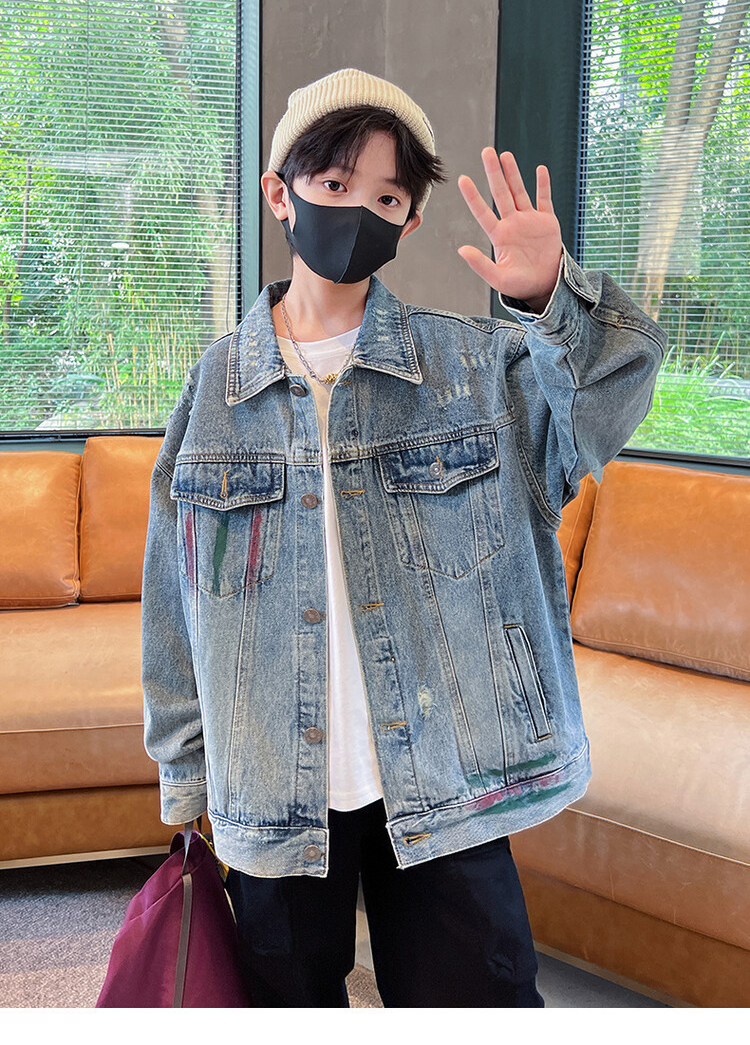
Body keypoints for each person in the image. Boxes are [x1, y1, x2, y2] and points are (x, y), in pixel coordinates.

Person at [141, 67, 668, 1008]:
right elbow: (176, 606)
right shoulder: (215, 390)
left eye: (386, 197)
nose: (358, 211)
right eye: (333, 183)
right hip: (274, 792)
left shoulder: (476, 368)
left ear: (411, 220)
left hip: (451, 780)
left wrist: (552, 298)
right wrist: (188, 779)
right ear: (280, 194)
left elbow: (607, 402)